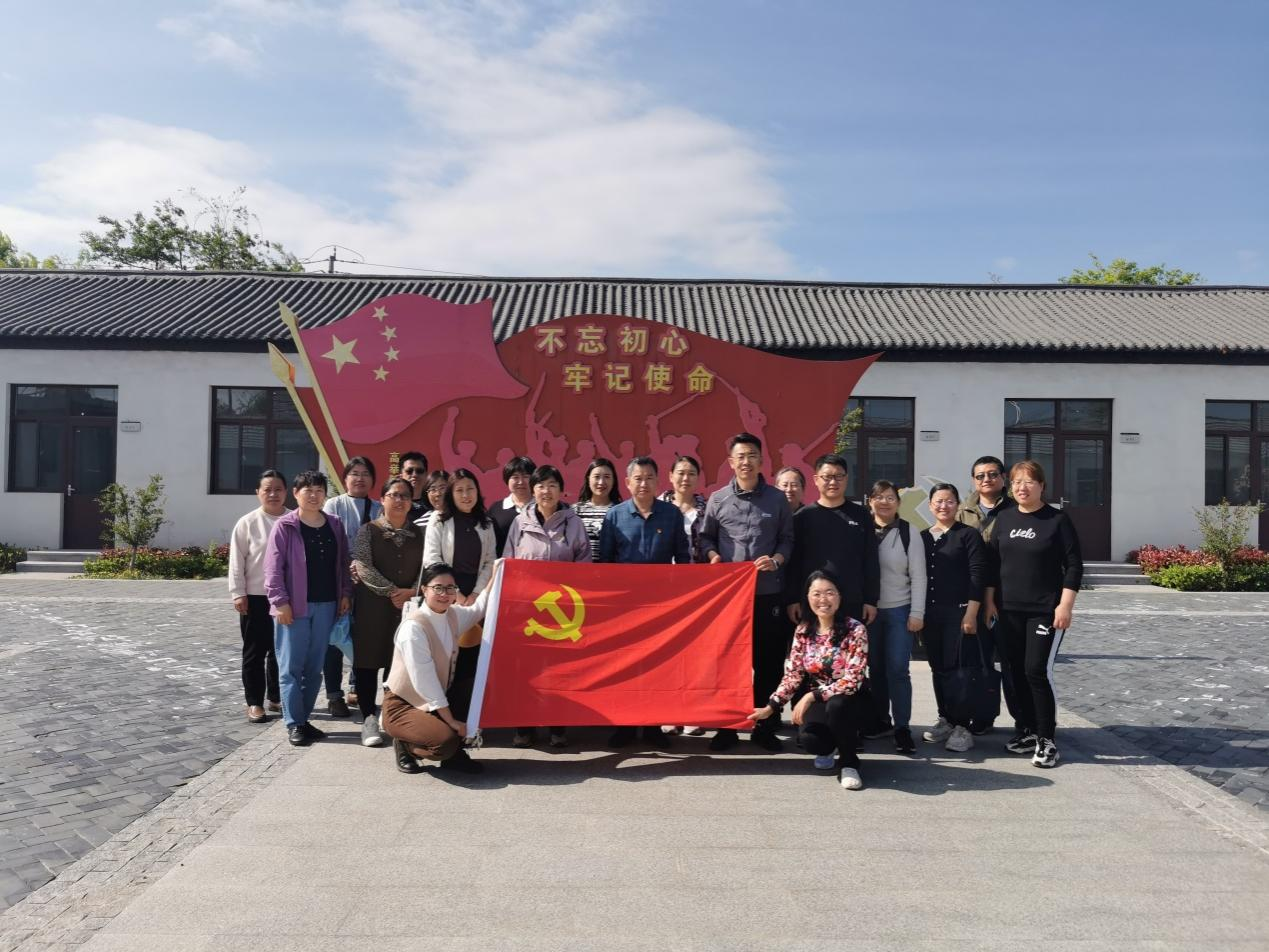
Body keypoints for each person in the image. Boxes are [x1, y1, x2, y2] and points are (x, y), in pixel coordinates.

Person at [699, 432, 794, 753]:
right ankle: (727, 727)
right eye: (740, 456)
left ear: (761, 460)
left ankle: (765, 727)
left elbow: (787, 539)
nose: (746, 462)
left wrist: (777, 560)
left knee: (769, 664)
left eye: (752, 455)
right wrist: (713, 556)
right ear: (731, 462)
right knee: (729, 665)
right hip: (730, 599)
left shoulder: (777, 500)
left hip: (768, 593)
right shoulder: (718, 499)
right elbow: (706, 538)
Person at [984, 460, 1083, 769]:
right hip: (1007, 610)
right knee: (1015, 673)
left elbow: (1074, 565)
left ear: (1042, 485)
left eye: (1028, 481)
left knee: (1036, 672)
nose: (1021, 487)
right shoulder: (1004, 518)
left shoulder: (1057, 520)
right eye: (1016, 482)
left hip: (1044, 611)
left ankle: (1047, 739)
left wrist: (1065, 605)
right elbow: (992, 563)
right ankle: (1028, 731)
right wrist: (989, 601)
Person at [784, 453, 880, 748]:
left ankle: (851, 730)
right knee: (807, 668)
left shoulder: (860, 515)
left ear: (846, 479)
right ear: (816, 480)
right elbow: (793, 562)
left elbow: (870, 560)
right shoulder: (803, 517)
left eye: (838, 476)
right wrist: (793, 599)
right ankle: (807, 725)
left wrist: (870, 599)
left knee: (851, 668)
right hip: (812, 605)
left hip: (850, 602)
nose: (832, 482)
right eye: (826, 476)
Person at [598, 456, 691, 749]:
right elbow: (605, 563)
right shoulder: (614, 516)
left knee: (656, 666)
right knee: (624, 666)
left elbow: (683, 558)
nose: (643, 484)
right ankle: (623, 725)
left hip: (660, 606)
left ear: (658, 481)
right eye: (638, 478)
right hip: (624, 607)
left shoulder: (671, 515)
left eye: (649, 478)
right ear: (627, 483)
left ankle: (652, 726)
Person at [749, 571, 869, 790]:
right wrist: (771, 706)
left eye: (829, 593)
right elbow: (793, 675)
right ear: (808, 597)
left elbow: (853, 679)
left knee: (838, 705)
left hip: (850, 699)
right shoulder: (803, 630)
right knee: (811, 740)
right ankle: (831, 747)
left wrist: (810, 696)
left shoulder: (855, 629)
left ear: (840, 596)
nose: (823, 599)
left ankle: (849, 762)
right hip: (817, 698)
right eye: (816, 594)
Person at [503, 464, 591, 748]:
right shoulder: (520, 522)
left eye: (552, 485)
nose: (546, 491)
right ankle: (524, 728)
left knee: (558, 672)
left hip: (562, 612)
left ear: (561, 490)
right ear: (533, 490)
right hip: (527, 612)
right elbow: (508, 562)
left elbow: (584, 564)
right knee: (526, 672)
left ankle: (557, 728)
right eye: (541, 485)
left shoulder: (573, 523)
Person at [381, 561, 497, 775]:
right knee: (444, 742)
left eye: (450, 588)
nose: (445, 594)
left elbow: (478, 609)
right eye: (438, 588)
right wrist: (452, 721)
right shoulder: (413, 628)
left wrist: (496, 575)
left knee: (478, 688)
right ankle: (405, 743)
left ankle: (454, 756)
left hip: (436, 698)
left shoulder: (452, 615)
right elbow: (425, 682)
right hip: (404, 704)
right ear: (424, 589)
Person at [264, 470, 353, 747]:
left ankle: (303, 719)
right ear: (296, 493)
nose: (314, 495)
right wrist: (280, 602)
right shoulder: (285, 526)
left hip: (327, 605)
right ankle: (294, 723)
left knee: (315, 668)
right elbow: (272, 569)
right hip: (294, 607)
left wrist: (345, 593)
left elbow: (343, 563)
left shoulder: (335, 524)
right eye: (308, 490)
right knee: (291, 667)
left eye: (319, 490)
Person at [349, 476, 424, 748]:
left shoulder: (421, 534)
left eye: (405, 496)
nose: (400, 500)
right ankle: (368, 717)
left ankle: (390, 715)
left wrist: (412, 592)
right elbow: (362, 566)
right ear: (382, 499)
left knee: (398, 664)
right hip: (372, 607)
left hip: (407, 610)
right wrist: (393, 591)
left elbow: (427, 569)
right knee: (367, 663)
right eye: (394, 495)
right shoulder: (368, 531)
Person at [920, 483, 989, 753]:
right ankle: (945, 719)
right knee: (938, 668)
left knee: (960, 670)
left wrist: (971, 613)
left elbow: (977, 576)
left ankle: (962, 726)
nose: (943, 506)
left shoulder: (968, 535)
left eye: (949, 501)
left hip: (960, 613)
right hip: (931, 613)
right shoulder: (924, 536)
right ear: (930, 505)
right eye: (938, 501)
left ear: (958, 504)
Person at [867, 480, 926, 754]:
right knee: (875, 670)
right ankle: (881, 721)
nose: (885, 502)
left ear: (898, 503)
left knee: (898, 671)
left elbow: (919, 575)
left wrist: (917, 612)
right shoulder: (862, 529)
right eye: (879, 497)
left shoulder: (908, 532)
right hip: (868, 612)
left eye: (890, 497)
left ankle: (902, 728)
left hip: (899, 610)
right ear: (870, 501)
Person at [424, 468, 497, 687]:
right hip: (444, 595)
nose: (466, 495)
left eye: (470, 489)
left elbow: (490, 561)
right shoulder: (439, 519)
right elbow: (432, 559)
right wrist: (455, 593)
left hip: (476, 596)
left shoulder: (486, 523)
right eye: (459, 490)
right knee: (442, 653)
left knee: (471, 654)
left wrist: (475, 594)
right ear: (451, 493)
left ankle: (465, 702)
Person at [322, 456, 382, 716]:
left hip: (369, 586)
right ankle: (334, 695)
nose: (359, 478)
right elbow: (328, 545)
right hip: (337, 583)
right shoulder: (334, 505)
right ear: (345, 478)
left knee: (363, 637)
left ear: (373, 480)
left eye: (365, 474)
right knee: (334, 639)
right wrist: (347, 570)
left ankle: (356, 686)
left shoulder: (379, 508)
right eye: (354, 473)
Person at [228, 469, 286, 723]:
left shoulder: (293, 520)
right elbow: (236, 561)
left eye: (278, 489)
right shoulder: (248, 522)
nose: (273, 494)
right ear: (258, 493)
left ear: (287, 492)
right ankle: (254, 702)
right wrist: (238, 593)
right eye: (267, 490)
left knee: (280, 650)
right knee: (254, 652)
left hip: (285, 598)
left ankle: (276, 697)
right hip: (255, 597)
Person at [660, 455, 708, 565]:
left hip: (698, 571)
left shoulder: (708, 510)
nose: (686, 478)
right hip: (665, 570)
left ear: (697, 478)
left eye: (691, 474)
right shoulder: (658, 507)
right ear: (671, 476)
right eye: (681, 473)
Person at [573, 458, 622, 561]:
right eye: (596, 477)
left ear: (613, 480)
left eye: (607, 477)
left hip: (611, 569)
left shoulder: (621, 511)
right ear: (588, 479)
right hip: (582, 569)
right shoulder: (575, 511)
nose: (601, 482)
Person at [490, 455, 535, 555]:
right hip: (503, 563)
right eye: (515, 477)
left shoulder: (542, 508)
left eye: (526, 477)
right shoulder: (496, 510)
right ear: (507, 480)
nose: (520, 482)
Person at [399, 451, 430, 521]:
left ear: (426, 475)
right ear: (401, 476)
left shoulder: (434, 502)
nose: (414, 475)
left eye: (419, 471)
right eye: (409, 471)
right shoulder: (394, 504)